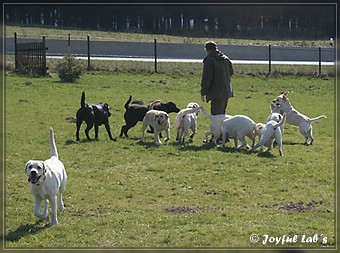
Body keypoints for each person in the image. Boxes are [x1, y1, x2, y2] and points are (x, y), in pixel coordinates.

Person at [200, 41, 234, 115]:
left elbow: (206, 79)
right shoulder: (226, 59)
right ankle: (222, 126)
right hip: (226, 91)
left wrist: (203, 93)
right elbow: (231, 72)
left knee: (216, 116)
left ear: (207, 49)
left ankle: (218, 127)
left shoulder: (209, 60)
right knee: (222, 114)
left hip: (216, 93)